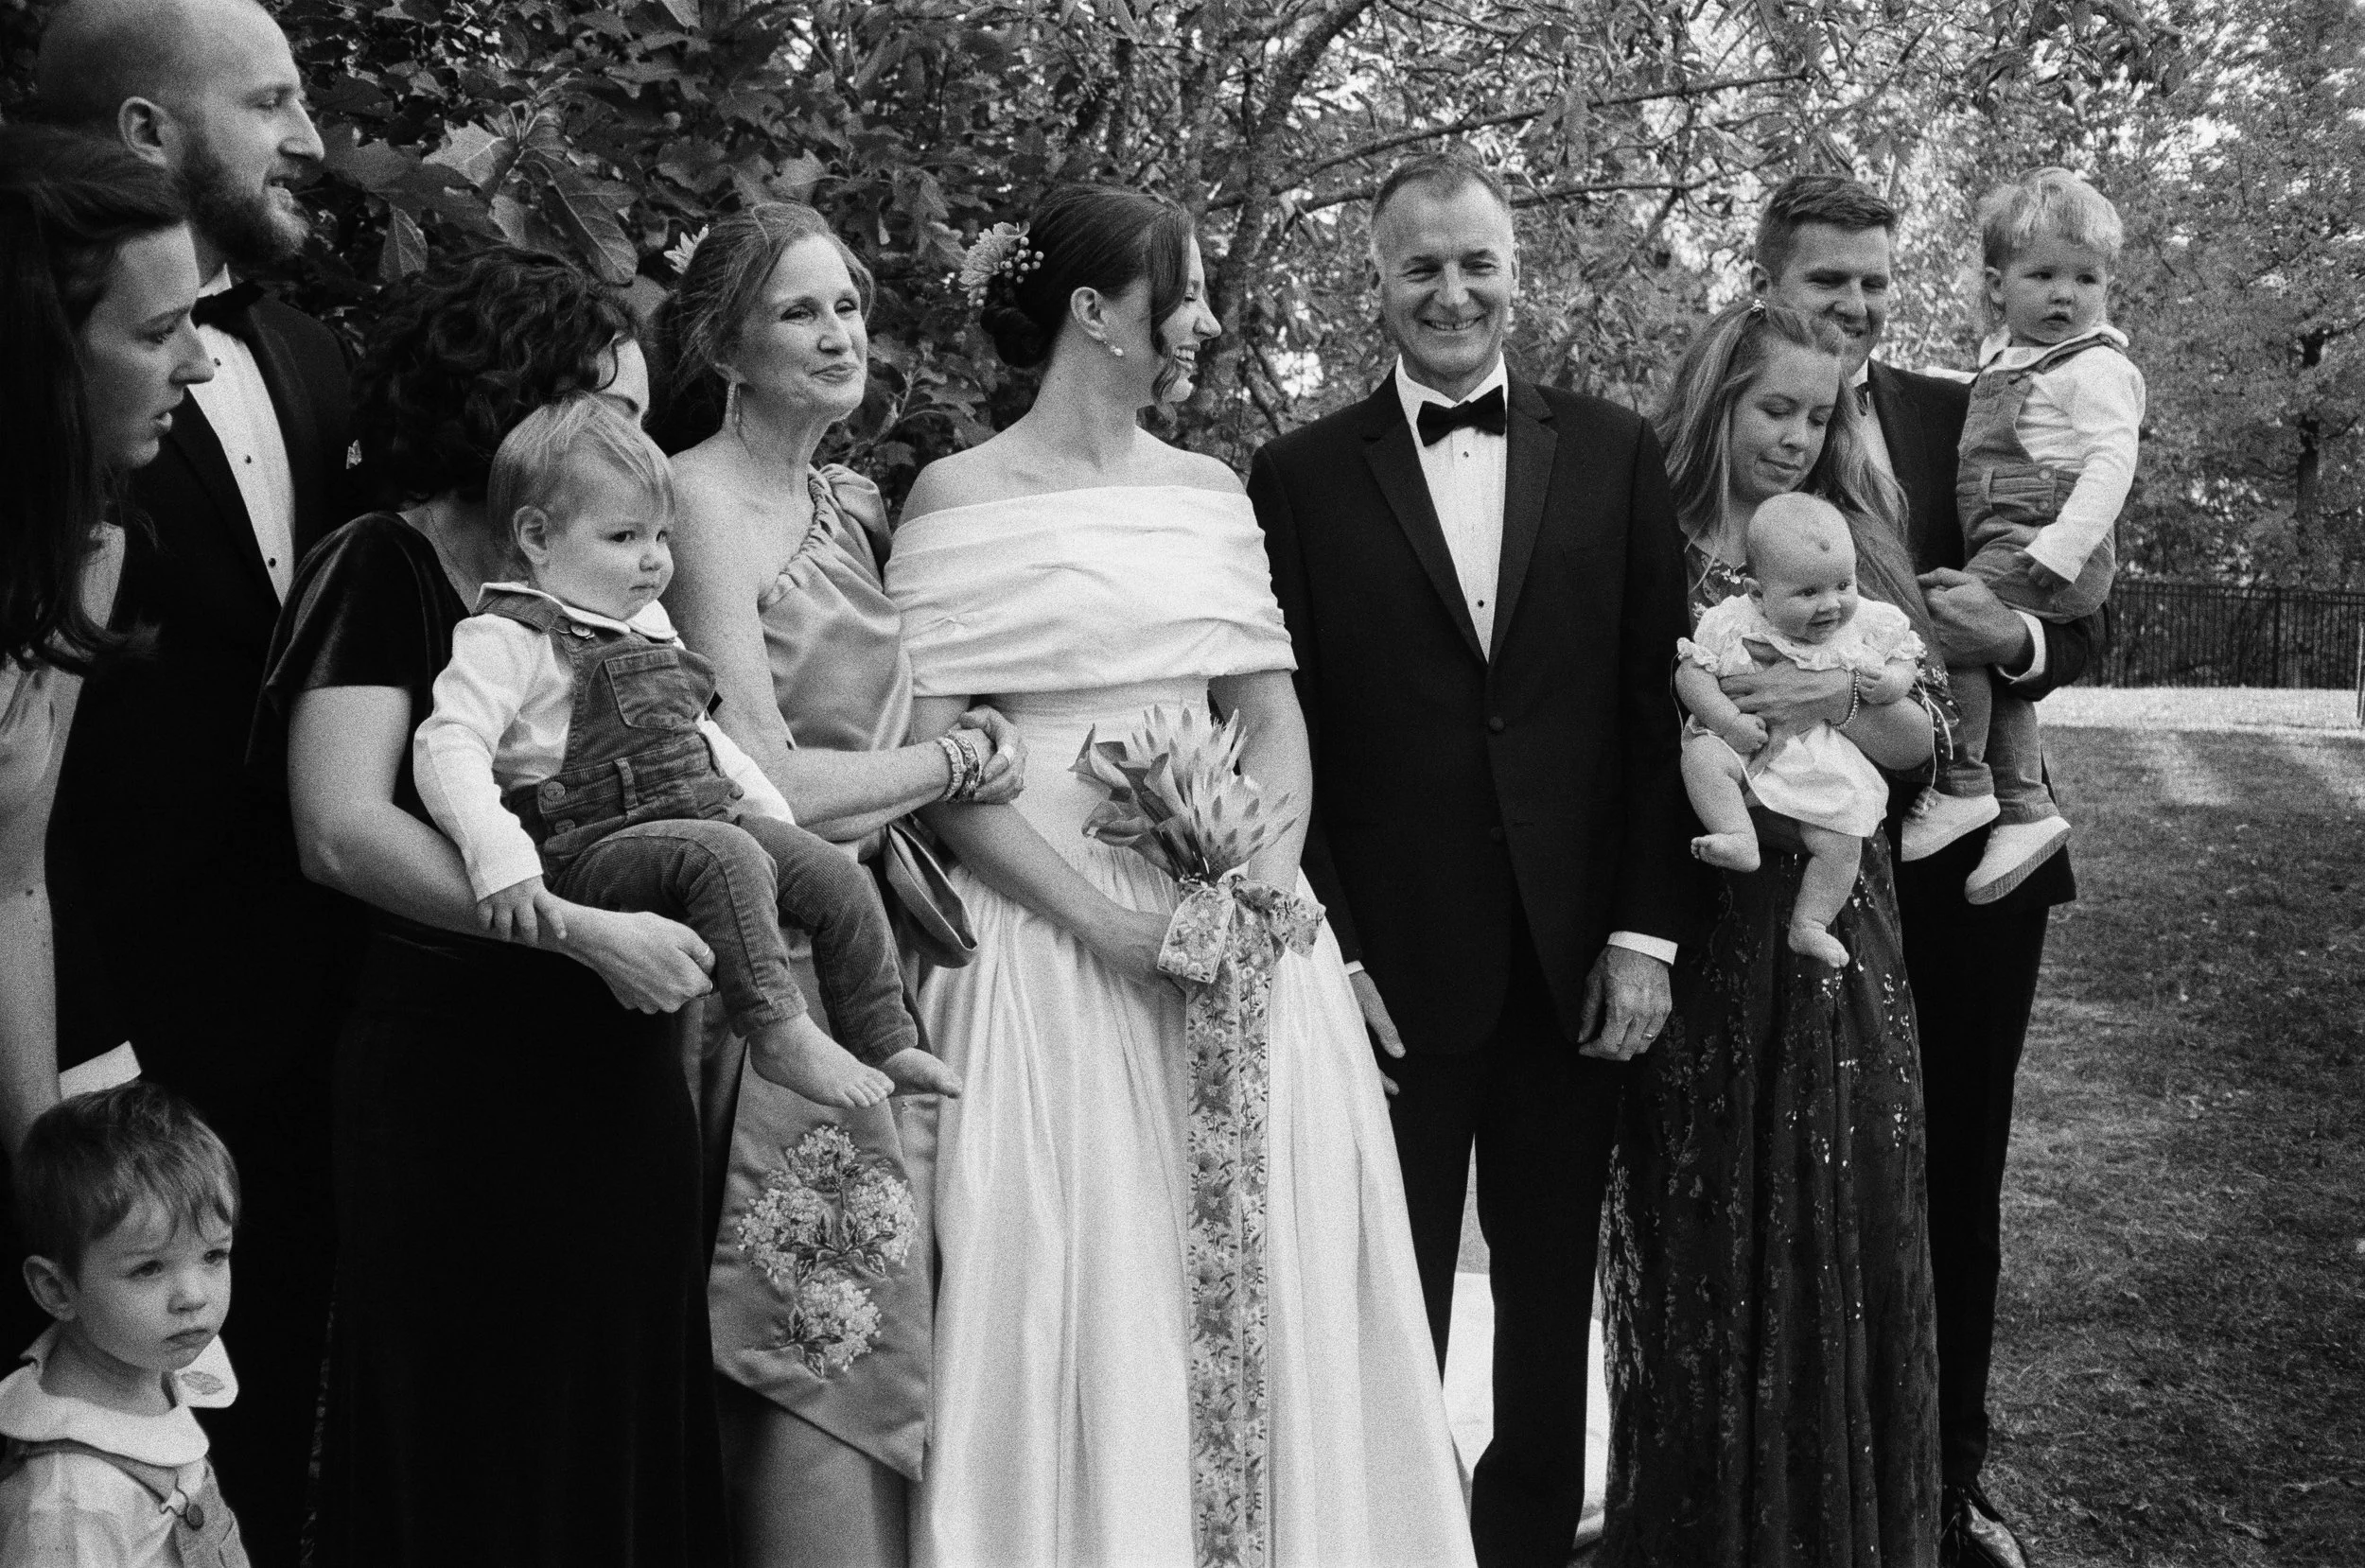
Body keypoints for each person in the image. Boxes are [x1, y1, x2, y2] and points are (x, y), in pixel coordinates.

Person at [890, 181, 1474, 1567]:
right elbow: (933, 755)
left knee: (1273, 1265)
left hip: (1239, 933)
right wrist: (1103, 923)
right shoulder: (956, 495)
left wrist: (1252, 878)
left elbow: (1268, 709)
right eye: (1184, 293)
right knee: (1068, 1275)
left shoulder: (1211, 491)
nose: (1206, 320)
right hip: (1040, 945)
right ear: (1095, 312)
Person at [1248, 149, 1691, 1568]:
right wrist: (1340, 949)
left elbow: (1651, 707)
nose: (1452, 290)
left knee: (1554, 1300)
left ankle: (1523, 1549)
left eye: (1477, 261)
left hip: (1576, 963)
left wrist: (1644, 931)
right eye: (1420, 265)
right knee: (1393, 1293)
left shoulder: (1619, 454)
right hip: (1392, 979)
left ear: (1518, 272)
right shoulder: (1301, 477)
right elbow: (1286, 732)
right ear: (1372, 283)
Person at [252, 247, 727, 1567]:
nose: (636, 454)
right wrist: (576, 929)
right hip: (455, 1086)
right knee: (478, 1448)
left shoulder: (612, 595)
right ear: (520, 407)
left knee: (612, 1425)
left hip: (617, 1072)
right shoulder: (380, 564)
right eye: (612, 414)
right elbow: (341, 827)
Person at [657, 201, 1026, 1568]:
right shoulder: (693, 498)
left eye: (851, 309)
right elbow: (754, 772)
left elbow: (886, 725)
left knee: (876, 1304)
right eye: (803, 310)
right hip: (773, 968)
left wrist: (966, 738)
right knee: (802, 1321)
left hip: (882, 953)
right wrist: (939, 759)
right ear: (728, 342)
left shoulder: (848, 501)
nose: (839, 334)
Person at [28, 6, 353, 1555]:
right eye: (273, 97)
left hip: (279, 1018)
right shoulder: (58, 483)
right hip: (98, 1005)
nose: (309, 130)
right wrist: (82, 1097)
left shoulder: (307, 354)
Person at [1750, 173, 2103, 1568]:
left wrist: (2010, 644)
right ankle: (1800, 1469)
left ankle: (1949, 1482)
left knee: (1956, 1169)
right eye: (1828, 278)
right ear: (1771, 277)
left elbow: (2078, 623)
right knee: (1799, 1173)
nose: (1853, 305)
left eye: (1876, 281)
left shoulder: (1979, 410)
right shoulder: (1742, 418)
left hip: (1970, 880)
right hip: (1795, 869)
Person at [1604, 296, 1945, 1567]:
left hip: (1833, 925)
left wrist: (1839, 689)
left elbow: (1922, 749)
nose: (1799, 436)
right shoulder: (1655, 543)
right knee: (1700, 1227)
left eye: (1821, 412)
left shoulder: (1850, 552)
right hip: (1695, 921)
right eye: (1776, 409)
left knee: (1830, 1218)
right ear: (1720, 403)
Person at [413, 393, 959, 1107]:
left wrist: (772, 823)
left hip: (689, 825)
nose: (653, 560)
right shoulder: (510, 637)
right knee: (722, 855)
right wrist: (499, 858)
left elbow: (700, 734)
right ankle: (777, 1033)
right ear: (538, 537)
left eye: (663, 537)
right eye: (624, 538)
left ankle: (885, 1036)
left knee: (831, 873)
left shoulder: (646, 626)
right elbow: (448, 743)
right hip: (586, 849)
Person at [0, 121, 211, 1349]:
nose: (197, 363)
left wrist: (51, 1190)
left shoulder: (89, 546)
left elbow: (14, 880)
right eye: (151, 331)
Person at [1907, 167, 2143, 905]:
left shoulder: (2096, 365)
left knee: (1940, 619)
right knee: (1976, 643)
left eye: (2086, 277)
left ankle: (1966, 781)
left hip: (2045, 541)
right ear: (1995, 285)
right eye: (2042, 274)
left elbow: (2112, 461)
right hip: (2010, 534)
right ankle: (2026, 806)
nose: (2065, 295)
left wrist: (2062, 547)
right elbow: (1988, 400)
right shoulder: (2010, 360)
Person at [0, 1083, 248, 1566]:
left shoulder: (146, 1361)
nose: (193, 1297)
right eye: (148, 1268)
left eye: (214, 1254)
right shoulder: (70, 1500)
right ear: (57, 1290)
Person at [1677, 490, 1925, 966]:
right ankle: (1736, 835)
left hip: (1822, 762)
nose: (1831, 604)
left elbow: (1906, 661)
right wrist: (1727, 721)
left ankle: (1810, 922)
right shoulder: (1733, 622)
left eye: (1843, 585)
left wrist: (1885, 684)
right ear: (1757, 593)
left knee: (1842, 838)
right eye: (1808, 593)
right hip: (1745, 751)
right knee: (1702, 759)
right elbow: (1691, 672)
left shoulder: (1868, 623)